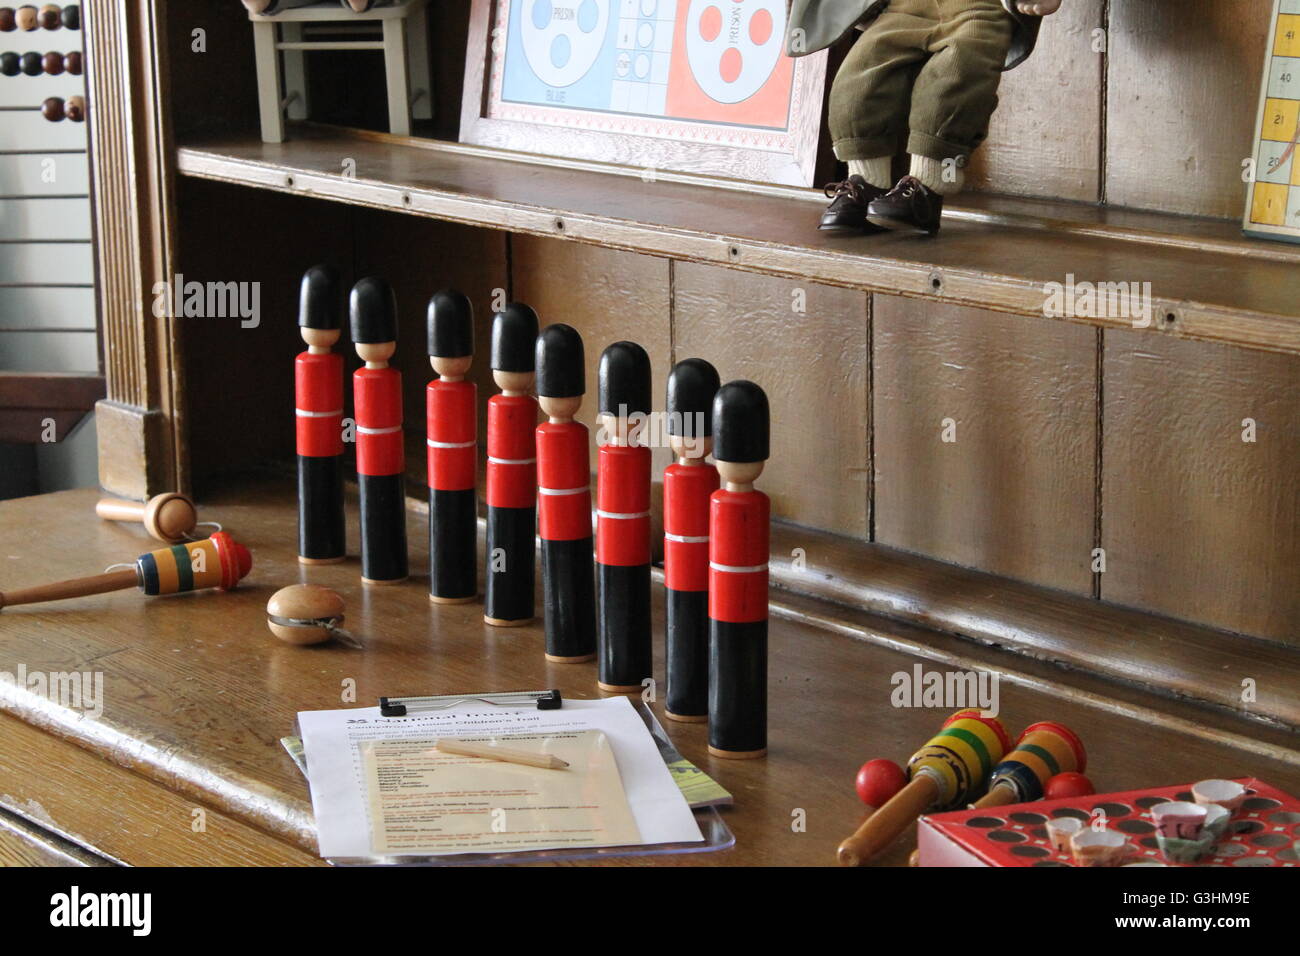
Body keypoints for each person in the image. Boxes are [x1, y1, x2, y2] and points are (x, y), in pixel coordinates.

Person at [787, 0, 1063, 235]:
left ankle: (926, 188)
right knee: (859, 78)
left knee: (956, 76)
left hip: (981, 6)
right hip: (904, 6)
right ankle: (865, 185)